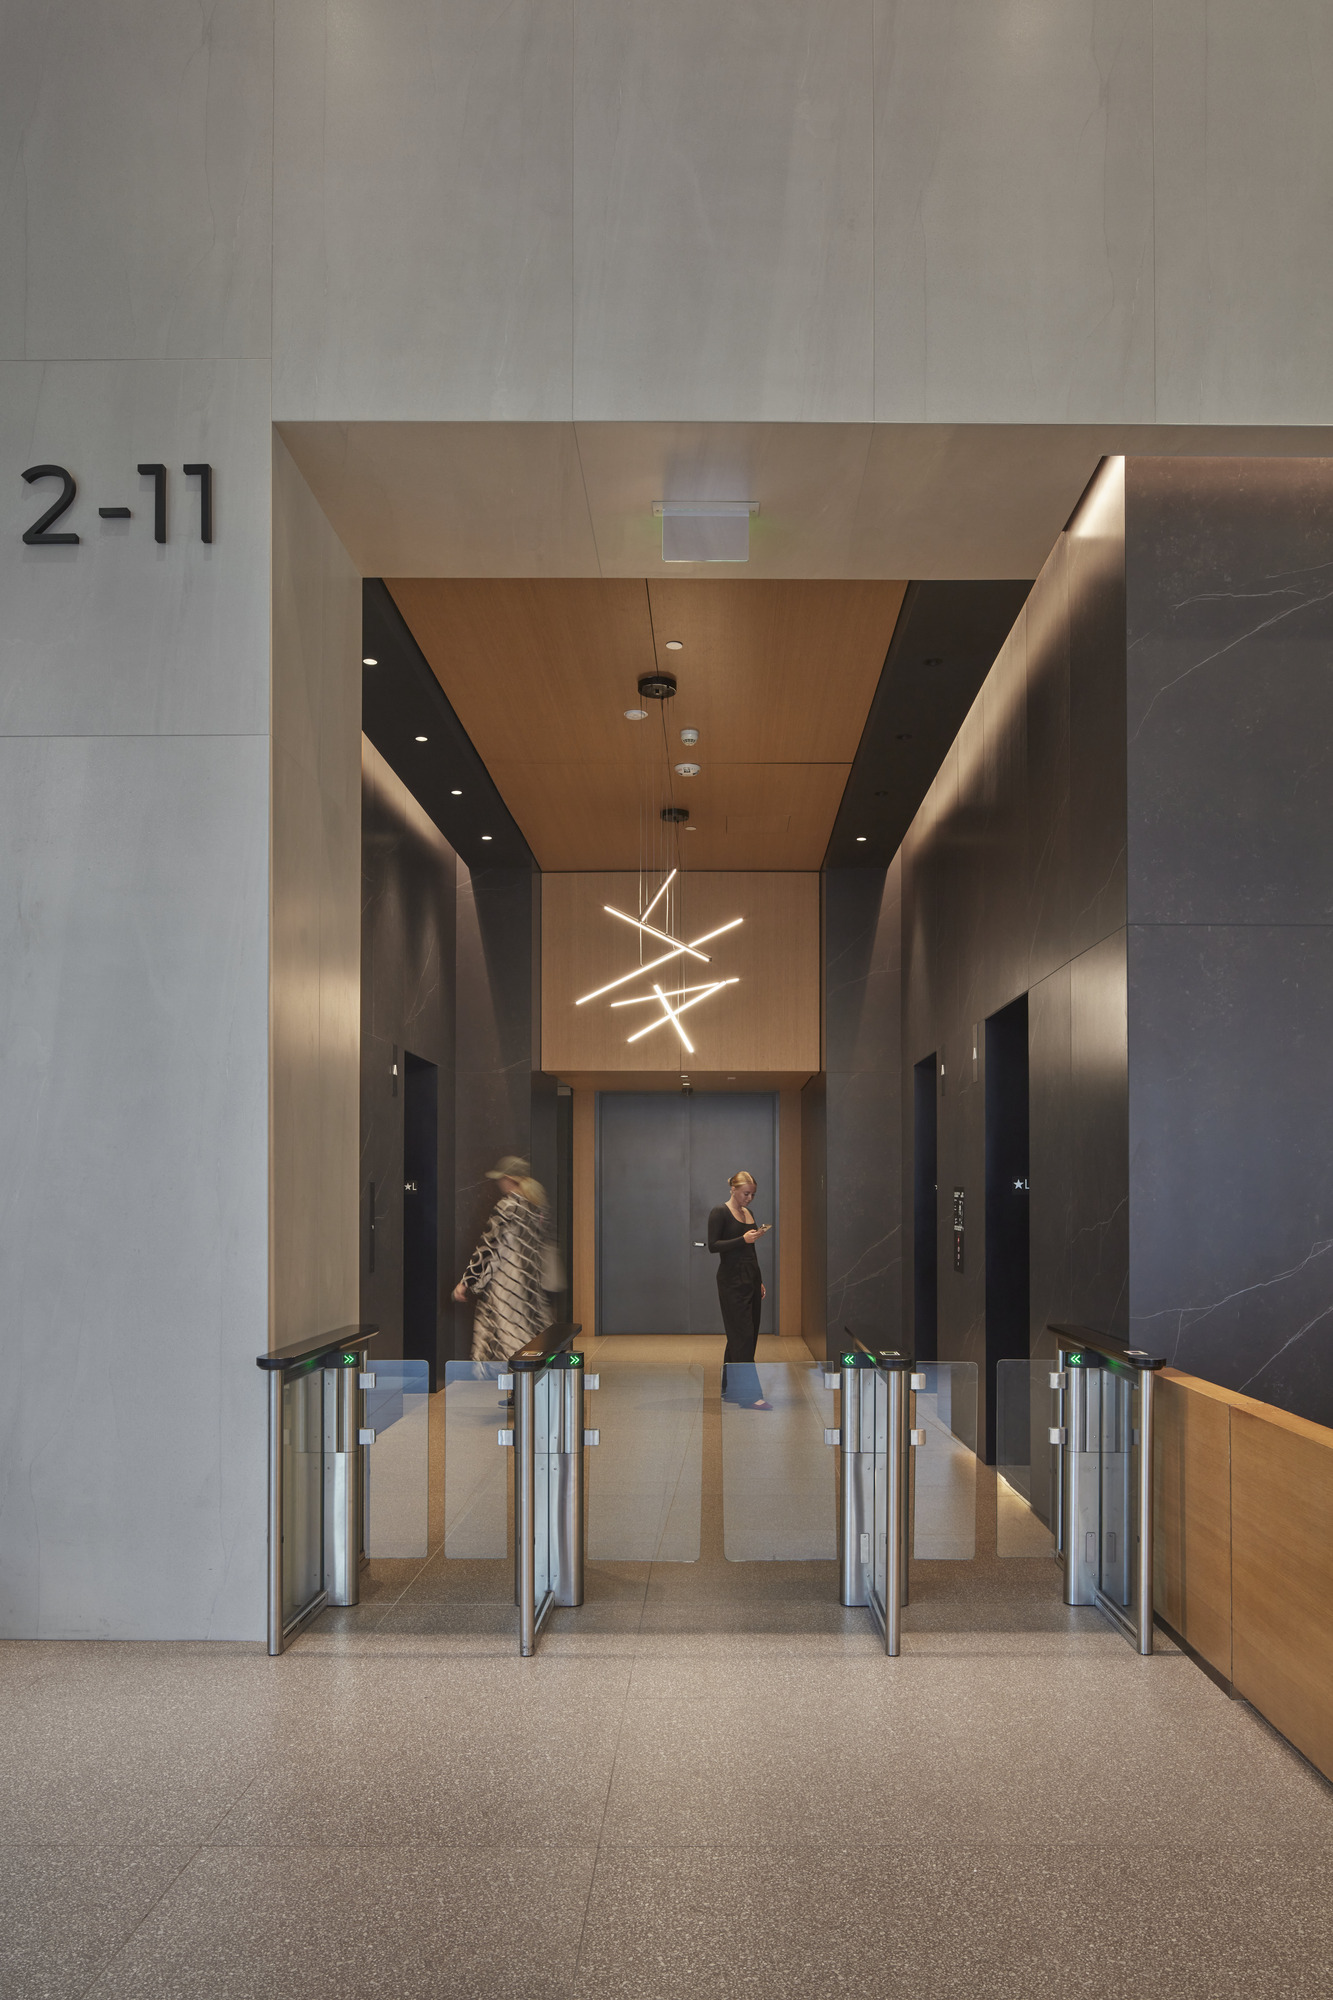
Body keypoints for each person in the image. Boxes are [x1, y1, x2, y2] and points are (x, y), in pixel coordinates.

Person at [453, 1156, 551, 1364]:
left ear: (508, 1179)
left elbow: (488, 1247)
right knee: (528, 1332)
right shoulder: (536, 1207)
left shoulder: (507, 1206)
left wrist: (466, 1281)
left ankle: (515, 1385)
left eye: (500, 1179)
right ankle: (531, 1382)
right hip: (530, 1281)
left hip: (507, 1283)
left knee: (506, 1335)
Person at [707, 1170, 771, 1409]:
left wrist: (759, 1279)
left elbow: (750, 1251)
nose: (749, 1198)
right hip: (731, 1281)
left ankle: (730, 1390)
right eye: (746, 1193)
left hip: (750, 1279)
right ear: (733, 1189)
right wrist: (742, 1240)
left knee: (745, 1335)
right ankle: (749, 1395)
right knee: (742, 1336)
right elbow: (713, 1246)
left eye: (753, 1194)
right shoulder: (719, 1212)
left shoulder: (748, 1213)